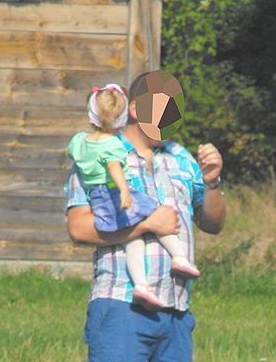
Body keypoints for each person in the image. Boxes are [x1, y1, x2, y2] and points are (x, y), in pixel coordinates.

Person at [65, 70, 226, 362]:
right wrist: (143, 225)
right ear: (137, 108)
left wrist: (213, 183)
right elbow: (78, 228)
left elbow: (212, 221)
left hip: (175, 307)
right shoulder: (102, 153)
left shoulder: (181, 160)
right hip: (120, 301)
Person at [66, 83, 200, 309]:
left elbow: (77, 151)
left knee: (134, 240)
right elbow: (114, 168)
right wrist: (128, 194)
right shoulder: (114, 146)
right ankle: (179, 258)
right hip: (114, 196)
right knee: (157, 218)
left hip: (176, 305)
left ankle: (141, 284)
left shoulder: (80, 142)